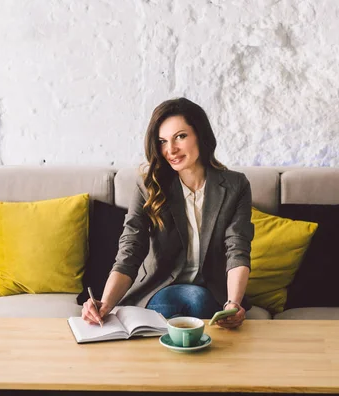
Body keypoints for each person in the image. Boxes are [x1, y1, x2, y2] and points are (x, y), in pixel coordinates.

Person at [82, 97, 254, 329]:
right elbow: (130, 251)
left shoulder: (235, 186)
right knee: (184, 301)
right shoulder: (148, 187)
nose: (170, 150)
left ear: (201, 136)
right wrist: (105, 303)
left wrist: (233, 302)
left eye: (180, 137)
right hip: (159, 289)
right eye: (162, 141)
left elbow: (238, 248)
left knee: (197, 299)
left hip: (212, 290)